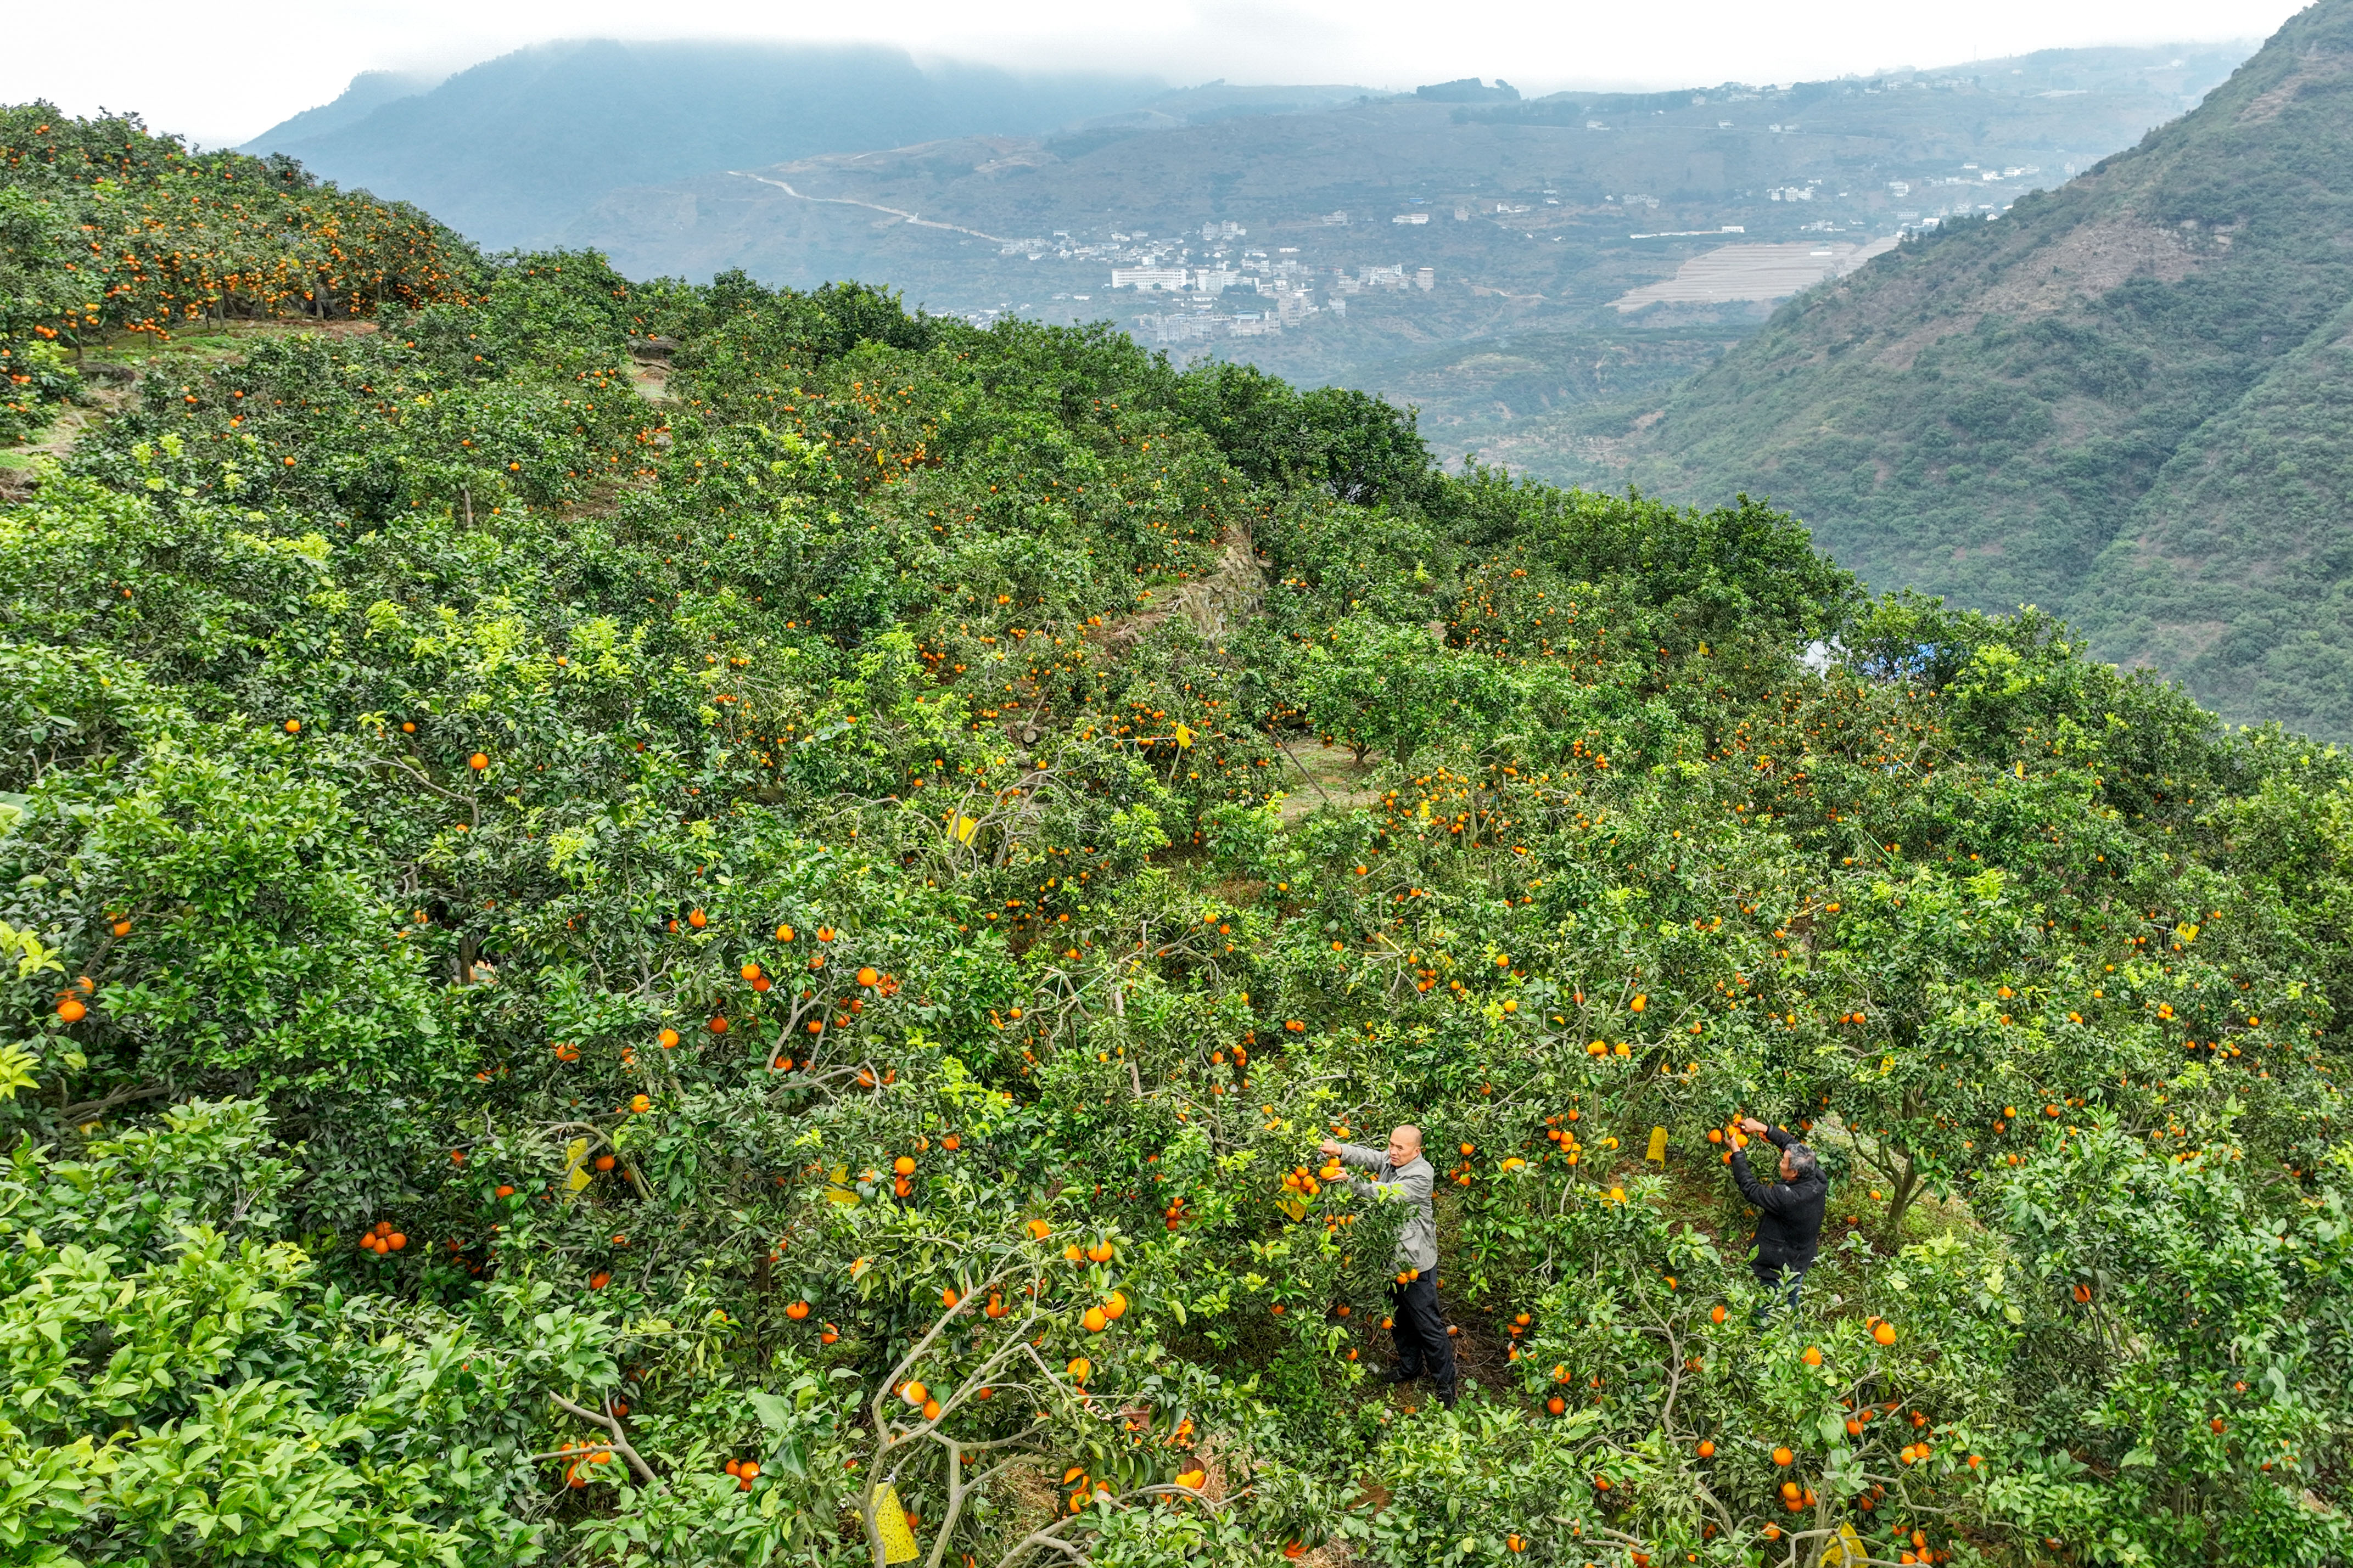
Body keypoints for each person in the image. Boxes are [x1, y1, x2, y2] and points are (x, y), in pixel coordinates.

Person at [1320, 1124, 1456, 1409]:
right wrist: (1340, 1150)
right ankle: (1410, 1368)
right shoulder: (1392, 1159)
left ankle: (1446, 1385)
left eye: (1400, 1148)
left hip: (1414, 1264)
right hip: (1388, 1262)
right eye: (1391, 1145)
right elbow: (1371, 1157)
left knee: (1428, 1325)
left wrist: (1351, 1183)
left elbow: (1386, 1192)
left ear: (1416, 1151)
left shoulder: (1421, 1175)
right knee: (1397, 1320)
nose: (1392, 1152)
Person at [1728, 1115, 1827, 1317]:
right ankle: (1791, 1330)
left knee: (1770, 1307)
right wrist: (1760, 1127)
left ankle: (1767, 1338)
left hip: (1782, 1263)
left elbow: (1751, 1189)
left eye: (1783, 1161)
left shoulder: (1788, 1198)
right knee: (1791, 1299)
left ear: (1793, 1173)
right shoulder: (1816, 1175)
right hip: (1801, 1256)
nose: (1780, 1162)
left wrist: (1737, 1154)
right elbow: (1790, 1144)